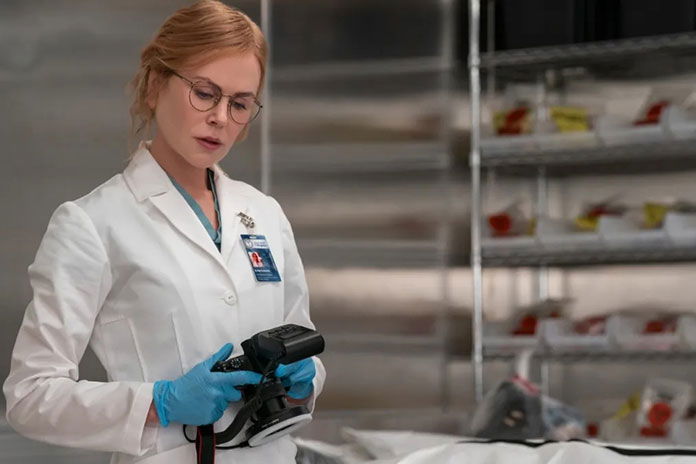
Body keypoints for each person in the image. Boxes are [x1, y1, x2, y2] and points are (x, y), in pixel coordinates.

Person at [2, 1, 325, 463]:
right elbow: (30, 397)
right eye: (205, 93)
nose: (220, 118)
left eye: (239, 104)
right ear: (155, 86)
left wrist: (305, 379)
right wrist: (159, 402)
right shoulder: (92, 223)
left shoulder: (265, 214)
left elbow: (303, 342)